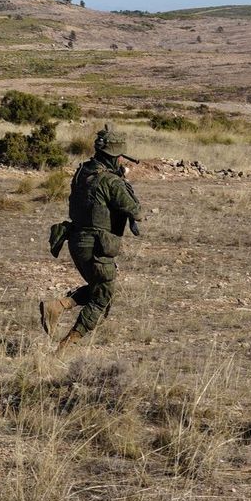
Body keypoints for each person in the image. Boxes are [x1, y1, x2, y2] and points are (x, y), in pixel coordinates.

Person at [38, 125, 143, 357]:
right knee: (103, 298)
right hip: (96, 246)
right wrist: (123, 180)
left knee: (99, 289)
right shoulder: (110, 181)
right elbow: (135, 211)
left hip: (76, 240)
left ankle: (59, 306)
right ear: (117, 154)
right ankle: (64, 348)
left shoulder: (83, 172)